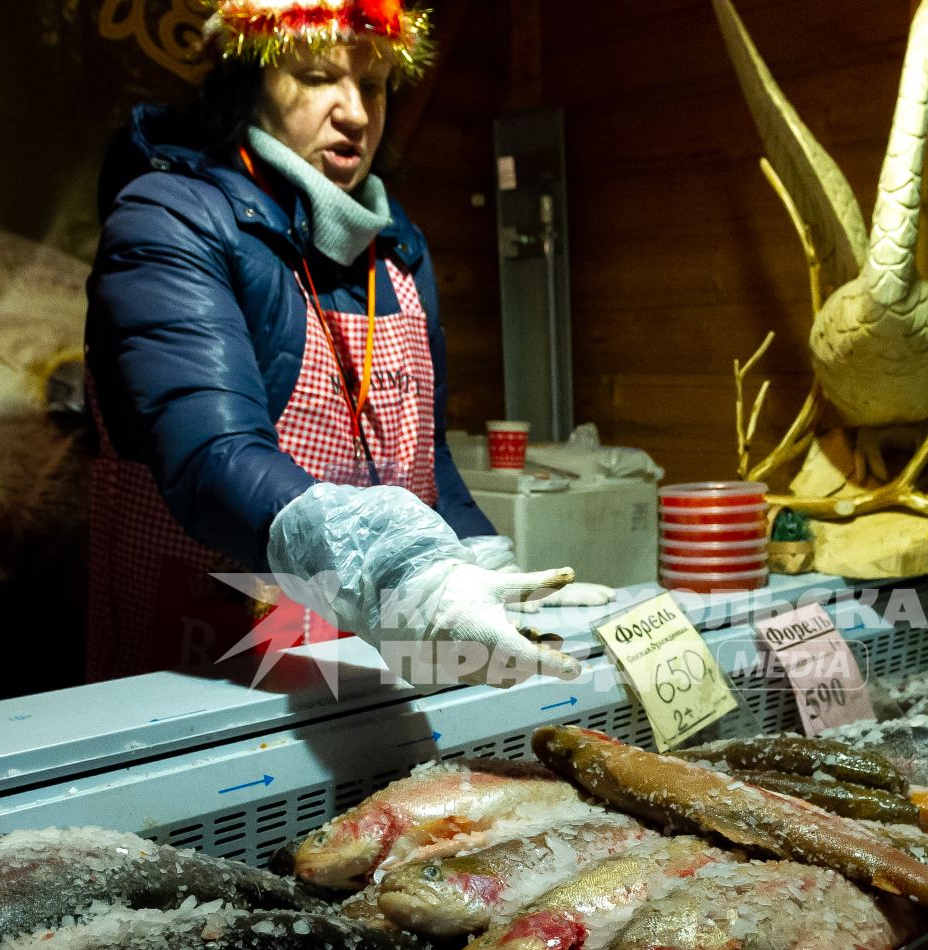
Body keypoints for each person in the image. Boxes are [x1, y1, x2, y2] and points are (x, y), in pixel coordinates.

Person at [85, 0, 604, 688]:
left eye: (374, 83)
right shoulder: (168, 221)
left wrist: (486, 570)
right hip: (209, 672)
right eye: (316, 75)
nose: (355, 112)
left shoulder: (395, 249)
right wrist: (400, 571)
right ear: (251, 78)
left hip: (370, 674)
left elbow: (426, 463)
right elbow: (214, 458)